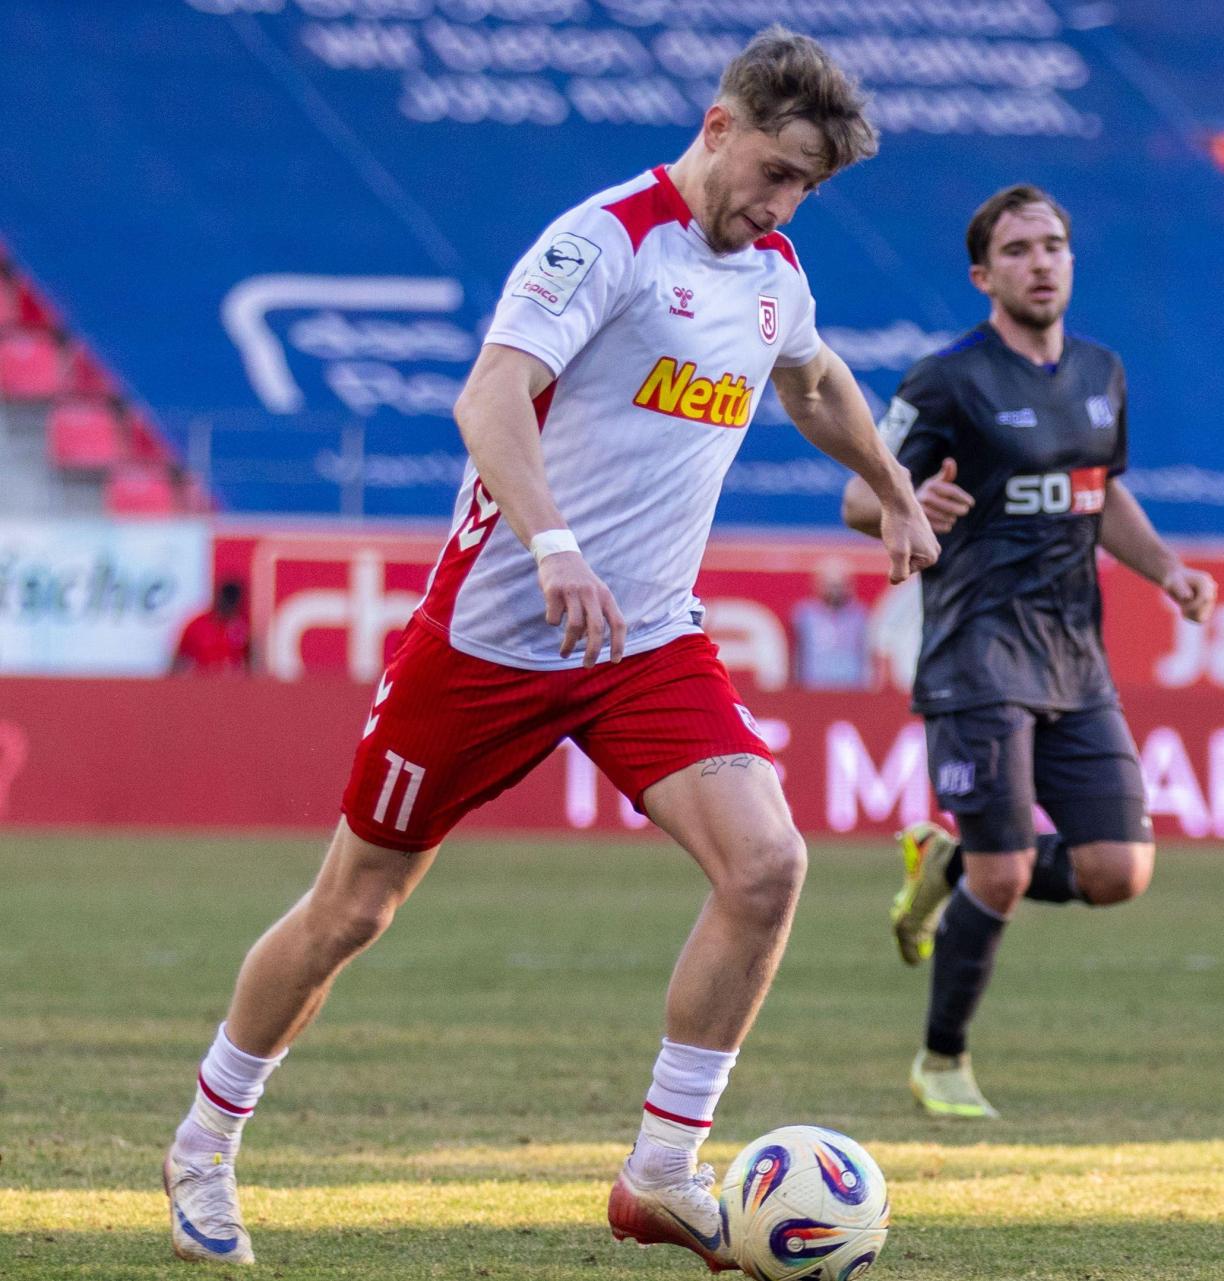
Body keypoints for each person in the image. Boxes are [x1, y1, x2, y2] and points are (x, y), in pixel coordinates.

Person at [162, 28, 938, 1269]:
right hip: (493, 635)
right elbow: (486, 399)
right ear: (720, 124)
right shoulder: (605, 241)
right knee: (351, 910)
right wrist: (555, 545)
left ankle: (662, 1174)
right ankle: (206, 1138)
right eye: (780, 171)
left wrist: (892, 487)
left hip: (644, 643)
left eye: (808, 188)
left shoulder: (773, 272)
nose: (785, 203)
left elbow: (816, 380)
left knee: (768, 868)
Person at [842, 185, 1217, 1118]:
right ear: (984, 274)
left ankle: (946, 859)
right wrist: (904, 504)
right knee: (1004, 872)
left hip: (1074, 659)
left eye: (1054, 245)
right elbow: (860, 496)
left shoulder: (1102, 372)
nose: (1041, 261)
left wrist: (1166, 570)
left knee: (1118, 871)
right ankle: (942, 1061)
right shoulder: (947, 380)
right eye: (1018, 250)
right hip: (976, 651)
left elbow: (1103, 493)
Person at [790, 555, 870, 689]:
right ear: (818, 584)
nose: (835, 591)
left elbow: (867, 655)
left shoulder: (860, 615)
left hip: (851, 691)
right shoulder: (804, 615)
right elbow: (796, 656)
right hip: (813, 689)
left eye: (840, 585)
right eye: (830, 584)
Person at [172, 579, 251, 674]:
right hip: (200, 683)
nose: (227, 607)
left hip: (233, 684)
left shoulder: (244, 627)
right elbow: (179, 660)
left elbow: (252, 664)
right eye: (225, 601)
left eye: (232, 603)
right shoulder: (197, 626)